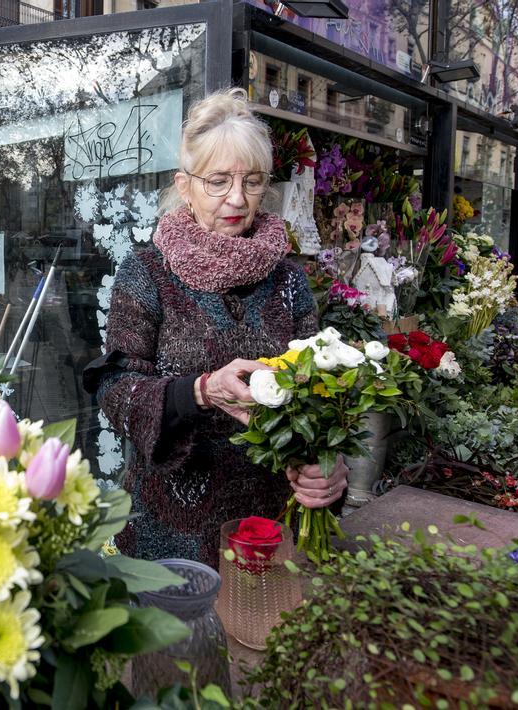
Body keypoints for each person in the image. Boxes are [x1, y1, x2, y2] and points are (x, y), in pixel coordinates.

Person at [84, 89, 348, 567]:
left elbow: (321, 393)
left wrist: (326, 467)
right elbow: (115, 388)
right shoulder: (148, 272)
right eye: (218, 181)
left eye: (251, 181)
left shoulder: (287, 278)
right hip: (169, 536)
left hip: (268, 531)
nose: (237, 197)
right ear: (184, 186)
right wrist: (201, 392)